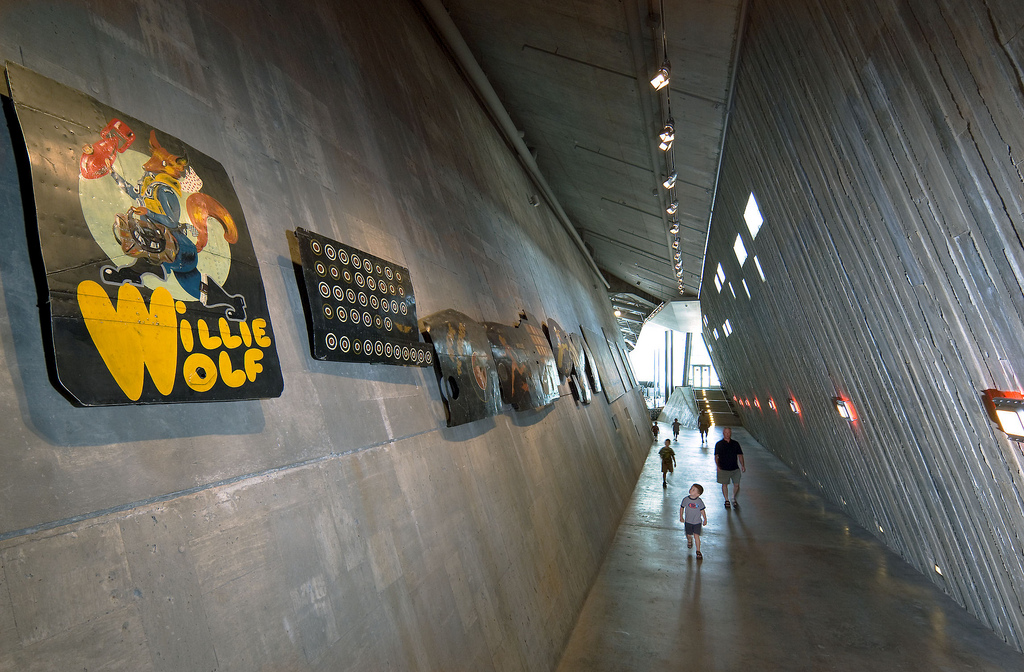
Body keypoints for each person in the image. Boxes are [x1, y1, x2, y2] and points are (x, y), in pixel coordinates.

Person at [714, 427, 745, 509]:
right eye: (726, 433)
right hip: (723, 468)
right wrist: (717, 466)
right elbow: (716, 456)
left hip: (734, 468)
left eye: (729, 433)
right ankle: (726, 500)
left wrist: (742, 465)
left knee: (737, 484)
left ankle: (733, 497)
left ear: (730, 433)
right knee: (724, 484)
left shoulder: (735, 444)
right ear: (723, 433)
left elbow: (740, 455)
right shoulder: (719, 444)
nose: (727, 434)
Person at [679, 483, 708, 559]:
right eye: (691, 488)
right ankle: (689, 540)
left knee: (696, 536)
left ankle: (698, 551)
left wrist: (705, 518)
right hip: (688, 521)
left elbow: (702, 510)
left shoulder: (699, 501)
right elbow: (682, 508)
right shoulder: (685, 499)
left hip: (697, 522)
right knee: (689, 535)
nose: (691, 490)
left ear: (698, 494)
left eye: (693, 490)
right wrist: (681, 517)